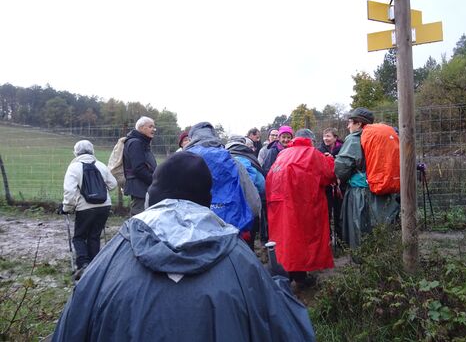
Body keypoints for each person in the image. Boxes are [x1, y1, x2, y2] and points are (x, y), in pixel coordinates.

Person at [52, 152, 315, 342]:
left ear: (152, 196)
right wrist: (279, 284)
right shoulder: (241, 260)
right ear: (208, 200)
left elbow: (70, 328)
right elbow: (289, 331)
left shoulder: (111, 257)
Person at [266, 129, 335, 288]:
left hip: (278, 204)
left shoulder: (283, 154)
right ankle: (297, 277)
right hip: (301, 205)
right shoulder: (312, 153)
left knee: (285, 241)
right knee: (300, 241)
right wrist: (330, 161)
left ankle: (292, 275)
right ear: (310, 140)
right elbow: (328, 175)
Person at [334, 107, 400, 251]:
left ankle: (364, 262)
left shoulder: (355, 139)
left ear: (358, 124)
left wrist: (339, 179)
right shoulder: (384, 136)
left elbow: (343, 165)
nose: (348, 126)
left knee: (361, 228)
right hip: (386, 189)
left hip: (361, 193)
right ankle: (385, 259)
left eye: (350, 122)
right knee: (382, 227)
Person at [185, 122, 258, 235]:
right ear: (214, 136)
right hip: (230, 232)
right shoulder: (233, 162)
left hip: (191, 234)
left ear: (192, 138)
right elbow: (254, 203)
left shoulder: (178, 162)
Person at [58, 140, 117, 280]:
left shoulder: (74, 167)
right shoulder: (101, 165)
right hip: (104, 205)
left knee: (79, 237)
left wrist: (67, 208)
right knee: (94, 236)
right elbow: (113, 184)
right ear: (93, 151)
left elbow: (70, 192)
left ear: (76, 152)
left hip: (85, 207)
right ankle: (95, 267)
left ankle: (83, 264)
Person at [226, 135, 266, 249]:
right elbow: (261, 184)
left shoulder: (222, 158)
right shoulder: (250, 159)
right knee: (248, 242)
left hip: (226, 208)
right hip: (248, 208)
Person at [123, 116, 157, 216]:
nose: (153, 130)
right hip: (139, 187)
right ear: (142, 128)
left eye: (154, 127)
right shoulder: (135, 143)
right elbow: (138, 168)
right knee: (139, 216)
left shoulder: (141, 142)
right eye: (150, 127)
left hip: (141, 186)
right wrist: (155, 181)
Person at [318, 127, 345, 244]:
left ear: (335, 137)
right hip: (327, 188)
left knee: (339, 214)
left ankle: (340, 241)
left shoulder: (343, 148)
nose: (325, 139)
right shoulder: (319, 149)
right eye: (324, 136)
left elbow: (345, 164)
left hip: (340, 186)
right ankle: (327, 240)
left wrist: (334, 158)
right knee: (327, 214)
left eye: (328, 136)